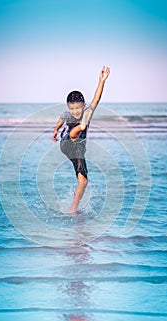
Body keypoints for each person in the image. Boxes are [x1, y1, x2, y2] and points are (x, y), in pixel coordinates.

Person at [52, 66, 110, 213]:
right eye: (72, 109)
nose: (75, 112)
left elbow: (96, 98)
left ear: (83, 106)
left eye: (78, 108)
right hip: (66, 142)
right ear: (68, 107)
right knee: (74, 133)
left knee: (83, 181)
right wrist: (56, 130)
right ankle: (80, 128)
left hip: (78, 151)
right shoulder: (67, 114)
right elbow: (61, 119)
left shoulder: (87, 111)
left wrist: (102, 80)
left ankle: (73, 208)